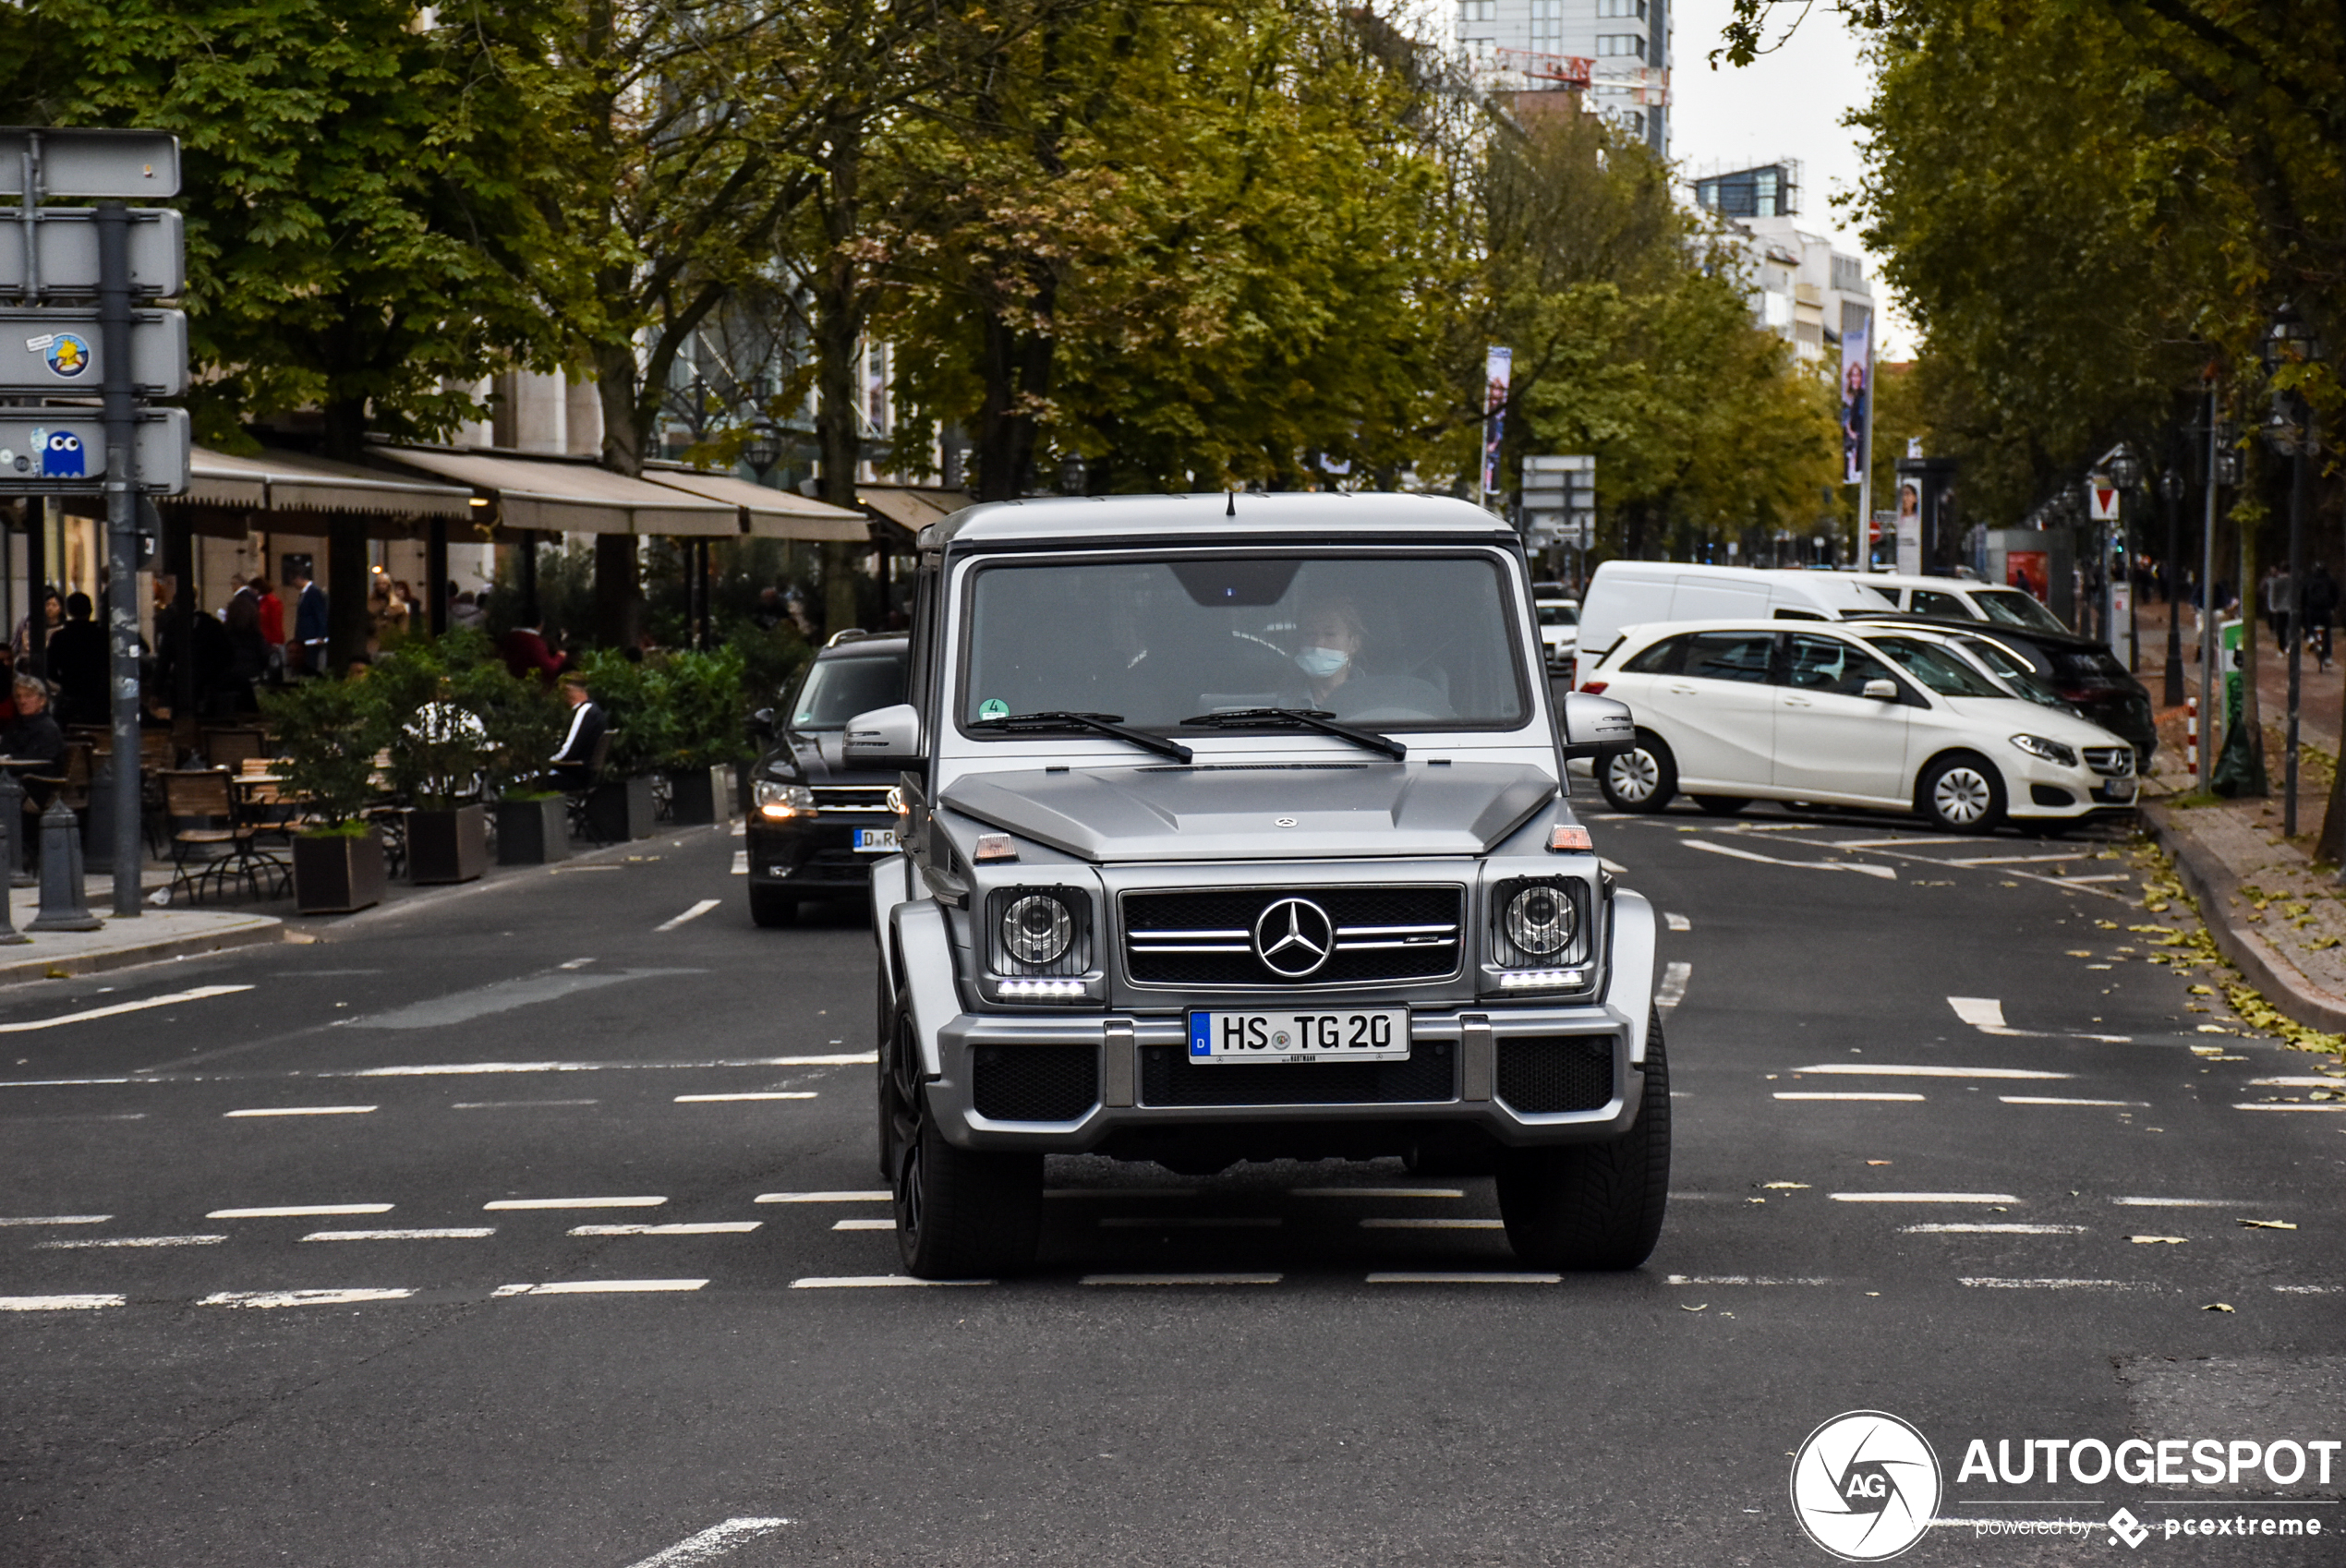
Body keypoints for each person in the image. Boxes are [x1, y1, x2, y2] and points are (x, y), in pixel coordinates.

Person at [1288, 597, 1451, 721]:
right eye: (1310, 633)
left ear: (1353, 644)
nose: (1318, 643)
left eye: (1330, 634)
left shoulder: (1385, 697)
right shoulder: (1280, 701)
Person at [45, 592, 108, 726]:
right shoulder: (102, 636)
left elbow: (50, 669)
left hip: (70, 696)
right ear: (90, 610)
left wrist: (65, 682)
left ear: (68, 610)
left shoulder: (60, 638)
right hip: (100, 698)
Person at [546, 674, 606, 790]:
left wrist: (547, 762)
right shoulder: (594, 710)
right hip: (586, 773)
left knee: (532, 782)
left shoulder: (583, 712)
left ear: (568, 693)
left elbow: (569, 750)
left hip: (574, 775)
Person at [502, 607, 566, 683]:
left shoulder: (508, 638)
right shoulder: (534, 642)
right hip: (528, 685)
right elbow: (548, 668)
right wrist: (560, 657)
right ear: (540, 624)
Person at [291, 564, 329, 675]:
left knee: (311, 664)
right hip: (305, 638)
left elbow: (320, 614)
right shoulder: (305, 594)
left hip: (312, 638)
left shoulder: (314, 592)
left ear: (298, 578)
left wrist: (321, 635)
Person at [11, 587, 60, 669]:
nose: (49, 608)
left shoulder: (61, 626)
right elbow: (16, 645)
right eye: (47, 604)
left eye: (54, 605)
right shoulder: (27, 619)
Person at [2305, 562, 2339, 673]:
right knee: (2327, 632)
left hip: (2312, 609)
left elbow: (2303, 595)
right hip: (2326, 610)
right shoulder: (2331, 581)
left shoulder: (2310, 580)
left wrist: (2304, 607)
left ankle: (2310, 637)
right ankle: (2328, 656)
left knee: (2309, 622)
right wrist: (2332, 607)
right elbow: (2336, 595)